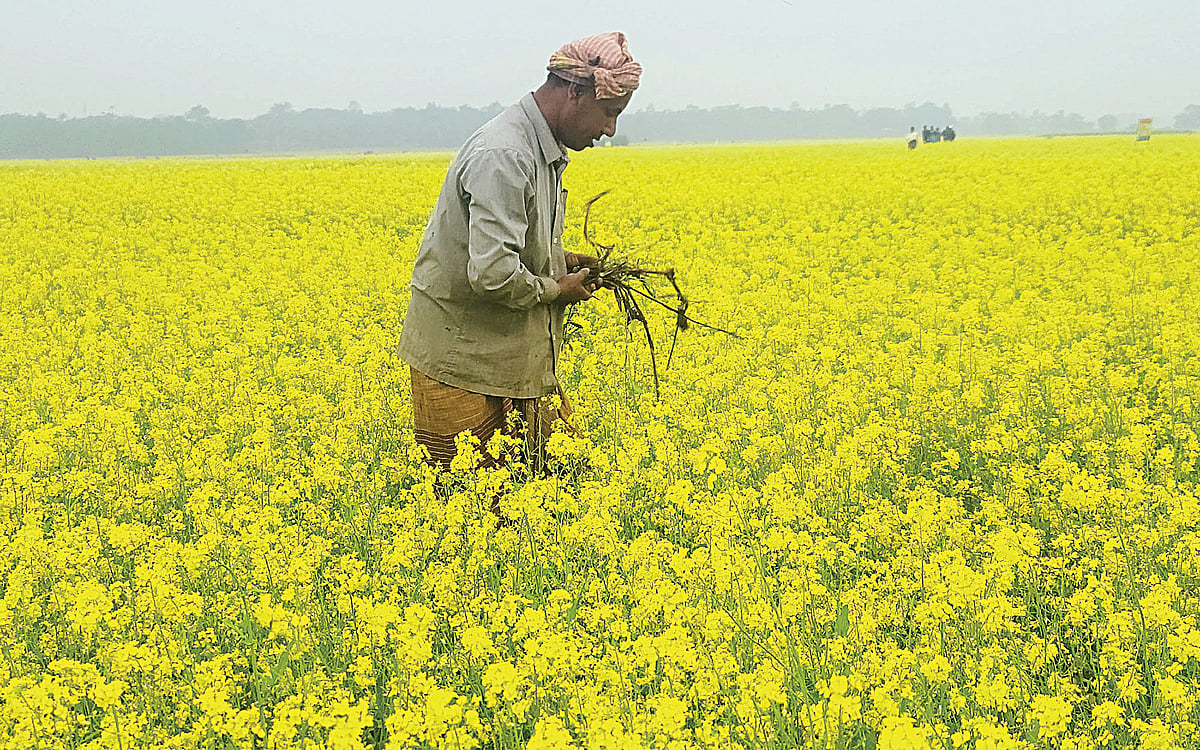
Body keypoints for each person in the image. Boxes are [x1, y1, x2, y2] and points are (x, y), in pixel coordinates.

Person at [397, 32, 642, 474]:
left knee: (563, 494)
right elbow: (492, 273)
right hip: (463, 366)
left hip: (514, 361)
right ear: (575, 92)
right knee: (471, 515)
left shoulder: (542, 147)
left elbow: (505, 244)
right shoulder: (505, 154)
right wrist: (556, 289)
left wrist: (557, 259)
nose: (610, 130)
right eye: (608, 113)